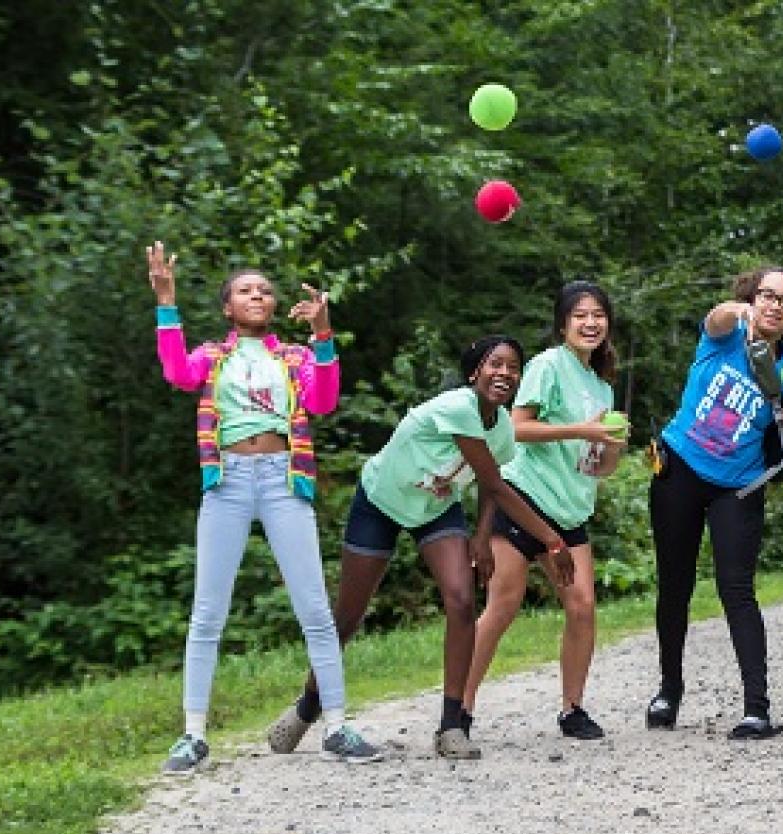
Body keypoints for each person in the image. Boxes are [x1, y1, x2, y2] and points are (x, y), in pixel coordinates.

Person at [265, 336, 574, 760]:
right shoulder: (458, 407)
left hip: (434, 509)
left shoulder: (501, 427)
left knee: (463, 600)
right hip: (380, 502)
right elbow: (499, 487)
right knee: (349, 616)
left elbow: (490, 485)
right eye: (495, 364)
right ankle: (308, 706)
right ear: (474, 373)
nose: (504, 372)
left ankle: (451, 727)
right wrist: (553, 540)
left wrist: (482, 539)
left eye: (513, 367)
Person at [147, 241, 381, 774]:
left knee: (315, 609)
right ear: (228, 308)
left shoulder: (292, 358)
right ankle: (193, 735)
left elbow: (322, 401)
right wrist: (166, 304)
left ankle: (337, 726)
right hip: (227, 481)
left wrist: (323, 334)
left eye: (266, 291)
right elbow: (177, 374)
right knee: (208, 612)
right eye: (246, 291)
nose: (258, 295)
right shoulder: (213, 356)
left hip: (282, 481)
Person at [646, 267, 783, 740]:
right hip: (679, 469)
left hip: (738, 487)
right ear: (753, 297)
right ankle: (669, 690)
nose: (774, 305)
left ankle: (756, 709)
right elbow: (716, 317)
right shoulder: (725, 338)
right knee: (675, 585)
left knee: (737, 590)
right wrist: (741, 310)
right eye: (767, 295)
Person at [461, 282, 627, 740]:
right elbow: (517, 428)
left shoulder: (601, 388)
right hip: (522, 497)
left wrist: (610, 448)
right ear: (562, 323)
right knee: (504, 603)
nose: (590, 323)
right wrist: (580, 428)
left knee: (582, 606)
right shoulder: (547, 365)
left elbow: (598, 467)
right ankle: (460, 708)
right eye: (580, 316)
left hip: (570, 511)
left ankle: (573, 709)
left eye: (598, 315)